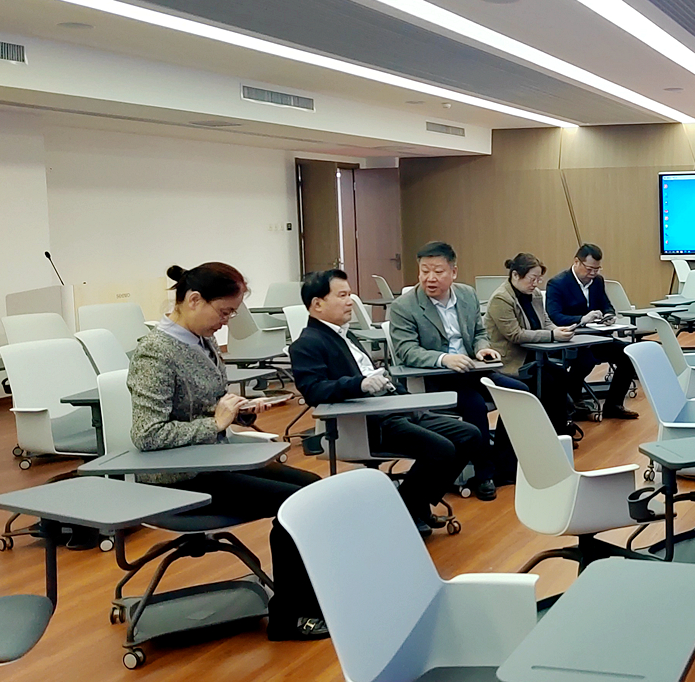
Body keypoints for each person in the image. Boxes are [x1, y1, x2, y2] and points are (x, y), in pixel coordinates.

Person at [128, 262, 326, 641]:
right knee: (295, 503)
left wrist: (239, 410)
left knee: (312, 488)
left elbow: (208, 404)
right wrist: (217, 423)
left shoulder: (199, 340)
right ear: (194, 300)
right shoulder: (155, 353)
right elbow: (147, 435)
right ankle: (289, 617)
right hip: (178, 477)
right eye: (224, 312)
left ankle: (309, 597)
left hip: (213, 461)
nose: (226, 322)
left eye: (232, 313)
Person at [288, 269, 482, 534]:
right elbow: (314, 391)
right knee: (441, 449)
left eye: (349, 294)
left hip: (395, 409)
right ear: (317, 304)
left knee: (470, 435)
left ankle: (412, 505)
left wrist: (405, 398)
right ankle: (408, 509)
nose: (350, 301)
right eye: (342, 295)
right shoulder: (307, 343)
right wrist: (358, 384)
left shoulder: (344, 334)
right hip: (369, 422)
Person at [387, 241, 526, 500]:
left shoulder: (466, 295)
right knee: (475, 405)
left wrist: (483, 349)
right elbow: (407, 351)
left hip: (473, 370)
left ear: (453, 272)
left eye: (438, 271)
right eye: (424, 271)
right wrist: (444, 359)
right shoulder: (404, 306)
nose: (430, 278)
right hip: (437, 378)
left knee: (519, 393)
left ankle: (503, 464)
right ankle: (483, 474)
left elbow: (479, 333)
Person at [483, 253, 583, 442]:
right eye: (532, 278)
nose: (536, 283)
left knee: (561, 376)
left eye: (539, 279)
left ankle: (559, 432)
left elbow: (545, 320)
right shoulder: (501, 299)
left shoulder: (534, 294)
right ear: (515, 275)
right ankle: (545, 436)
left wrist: (558, 330)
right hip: (511, 361)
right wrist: (552, 335)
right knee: (546, 383)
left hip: (534, 356)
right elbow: (515, 334)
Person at [544, 242, 639, 420]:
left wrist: (609, 315)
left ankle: (614, 405)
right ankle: (574, 399)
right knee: (586, 358)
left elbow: (606, 305)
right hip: (572, 339)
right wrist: (581, 319)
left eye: (597, 269)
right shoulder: (557, 283)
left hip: (597, 337)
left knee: (628, 354)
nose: (593, 273)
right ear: (576, 262)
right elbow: (554, 316)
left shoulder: (598, 282)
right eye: (589, 269)